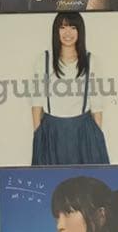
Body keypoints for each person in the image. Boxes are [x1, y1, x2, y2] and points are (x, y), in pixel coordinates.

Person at [31, 13, 109, 165]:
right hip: (51, 132)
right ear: (56, 31)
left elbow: (97, 106)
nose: (68, 33)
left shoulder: (91, 61)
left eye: (73, 28)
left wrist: (95, 138)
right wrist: (39, 136)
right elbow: (36, 103)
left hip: (84, 132)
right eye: (63, 27)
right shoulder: (44, 60)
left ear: (80, 31)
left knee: (89, 178)